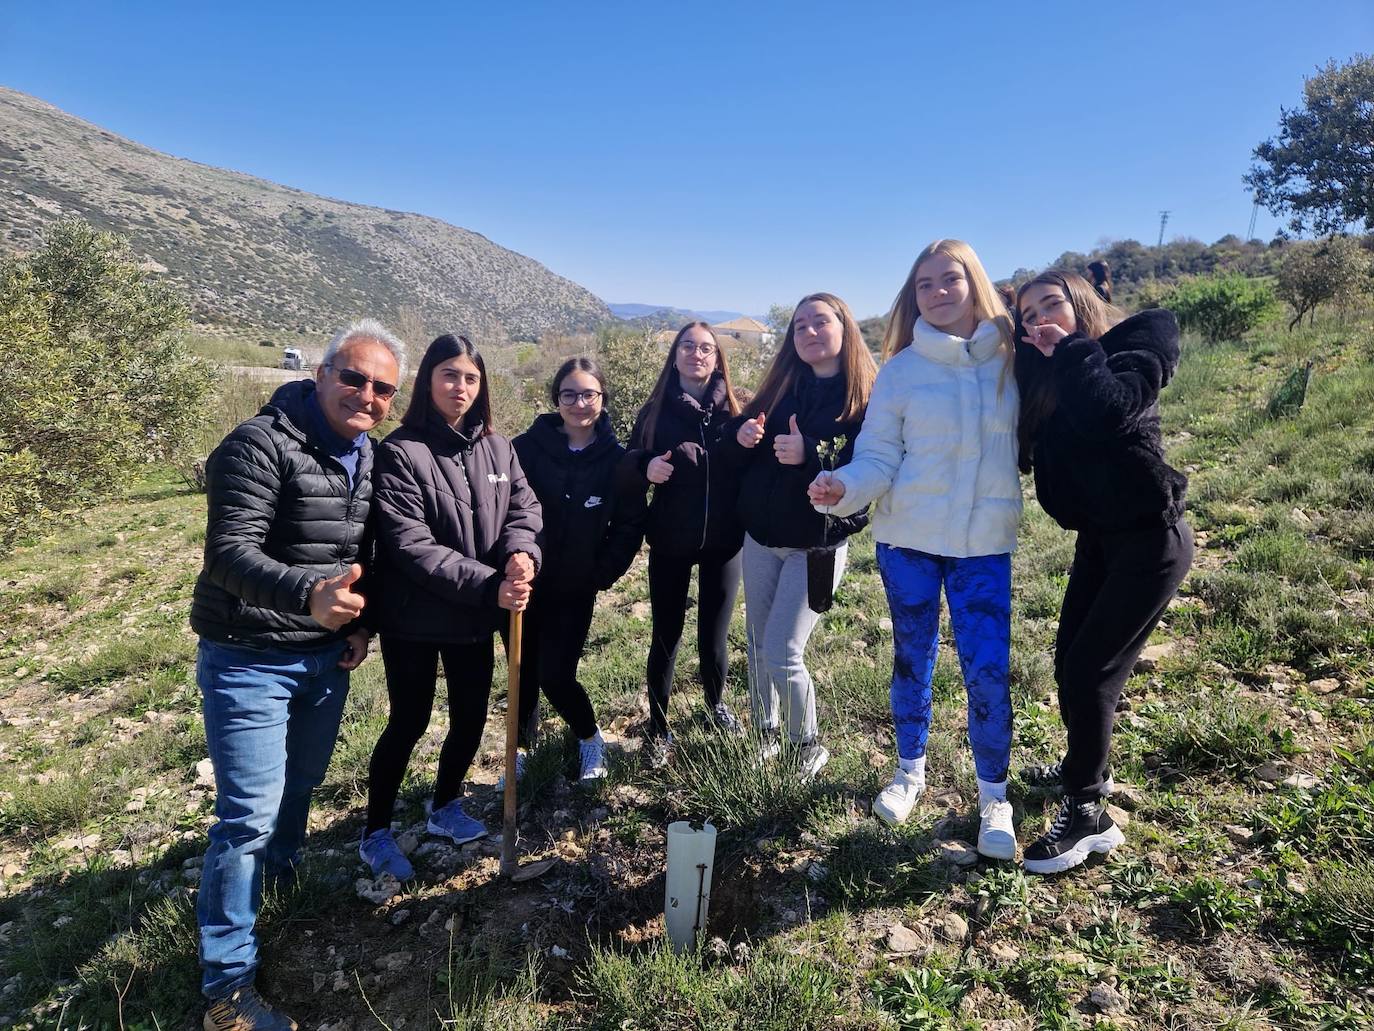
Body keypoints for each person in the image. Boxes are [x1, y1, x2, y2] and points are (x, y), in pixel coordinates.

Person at [191, 319, 404, 1030]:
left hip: (323, 656)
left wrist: (358, 623)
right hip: (249, 655)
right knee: (246, 817)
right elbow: (227, 552)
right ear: (321, 373)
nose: (366, 395)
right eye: (354, 377)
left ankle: (276, 891)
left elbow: (356, 553)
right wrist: (306, 597)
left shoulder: (365, 456)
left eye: (382, 388)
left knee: (302, 785)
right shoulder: (258, 444)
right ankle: (226, 988)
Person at [809, 239, 1021, 861]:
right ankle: (909, 773)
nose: (937, 292)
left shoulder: (1011, 359)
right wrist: (843, 486)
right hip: (908, 542)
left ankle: (994, 797)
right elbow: (879, 455)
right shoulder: (900, 369)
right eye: (923, 284)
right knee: (912, 660)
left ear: (973, 282)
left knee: (987, 669)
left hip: (983, 544)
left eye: (948, 279)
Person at [1013, 271, 1192, 874]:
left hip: (1150, 539)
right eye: (1028, 312)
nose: (1040, 318)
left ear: (1082, 301)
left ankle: (1089, 813)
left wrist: (1068, 348)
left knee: (1092, 674)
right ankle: (1083, 769)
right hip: (1099, 541)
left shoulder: (1141, 338)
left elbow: (1109, 411)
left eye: (1051, 304)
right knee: (1071, 664)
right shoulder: (1048, 368)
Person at [360, 334, 541, 878]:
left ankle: (444, 806)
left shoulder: (498, 447)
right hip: (414, 617)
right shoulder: (399, 451)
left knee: (469, 716)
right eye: (449, 375)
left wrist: (522, 554)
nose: (459, 387)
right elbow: (411, 546)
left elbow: (524, 508)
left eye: (470, 377)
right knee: (409, 720)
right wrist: (491, 586)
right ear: (428, 381)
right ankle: (375, 831)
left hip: (472, 617)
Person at [720, 293, 876, 780]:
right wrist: (741, 436)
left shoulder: (866, 399)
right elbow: (739, 442)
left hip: (817, 546)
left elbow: (869, 469)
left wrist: (809, 452)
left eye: (820, 322)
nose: (809, 332)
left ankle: (806, 744)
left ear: (844, 328)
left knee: (784, 649)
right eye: (800, 325)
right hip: (762, 539)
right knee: (757, 644)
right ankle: (764, 733)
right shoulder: (780, 386)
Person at [510, 357, 646, 781]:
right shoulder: (523, 449)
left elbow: (629, 524)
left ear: (603, 400)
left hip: (575, 585)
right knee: (521, 671)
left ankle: (590, 738)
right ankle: (520, 753)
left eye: (589, 394)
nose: (580, 403)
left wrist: (599, 573)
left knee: (556, 674)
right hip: (523, 581)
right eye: (570, 394)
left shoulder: (618, 460)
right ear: (556, 399)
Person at [622, 322, 744, 765]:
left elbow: (752, 463)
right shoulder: (655, 410)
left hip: (725, 542)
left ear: (717, 358)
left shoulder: (736, 407)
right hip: (671, 540)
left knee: (715, 636)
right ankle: (658, 726)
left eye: (706, 348)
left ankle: (716, 707)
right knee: (666, 636)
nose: (697, 353)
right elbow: (629, 461)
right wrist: (645, 466)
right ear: (675, 355)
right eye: (688, 346)